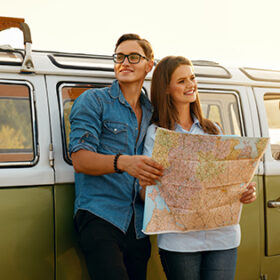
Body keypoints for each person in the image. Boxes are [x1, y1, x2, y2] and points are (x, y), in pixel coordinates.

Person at [140, 56, 257, 280]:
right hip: (179, 240)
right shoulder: (156, 134)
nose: (191, 84)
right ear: (165, 88)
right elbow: (146, 191)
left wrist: (244, 191)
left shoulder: (213, 130)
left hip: (223, 236)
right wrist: (149, 189)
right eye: (182, 81)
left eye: (192, 78)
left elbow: (228, 181)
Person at [69, 33, 164, 280]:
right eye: (120, 56)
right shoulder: (93, 101)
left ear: (149, 65)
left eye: (134, 57)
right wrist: (124, 162)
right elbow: (80, 159)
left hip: (138, 223)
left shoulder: (153, 112)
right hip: (100, 215)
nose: (125, 62)